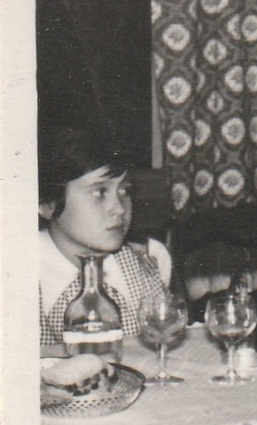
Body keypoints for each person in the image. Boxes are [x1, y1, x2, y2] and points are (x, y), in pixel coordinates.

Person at [38, 125, 172, 350]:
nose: (119, 209)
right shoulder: (18, 276)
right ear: (47, 204)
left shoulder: (147, 261)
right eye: (99, 192)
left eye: (124, 191)